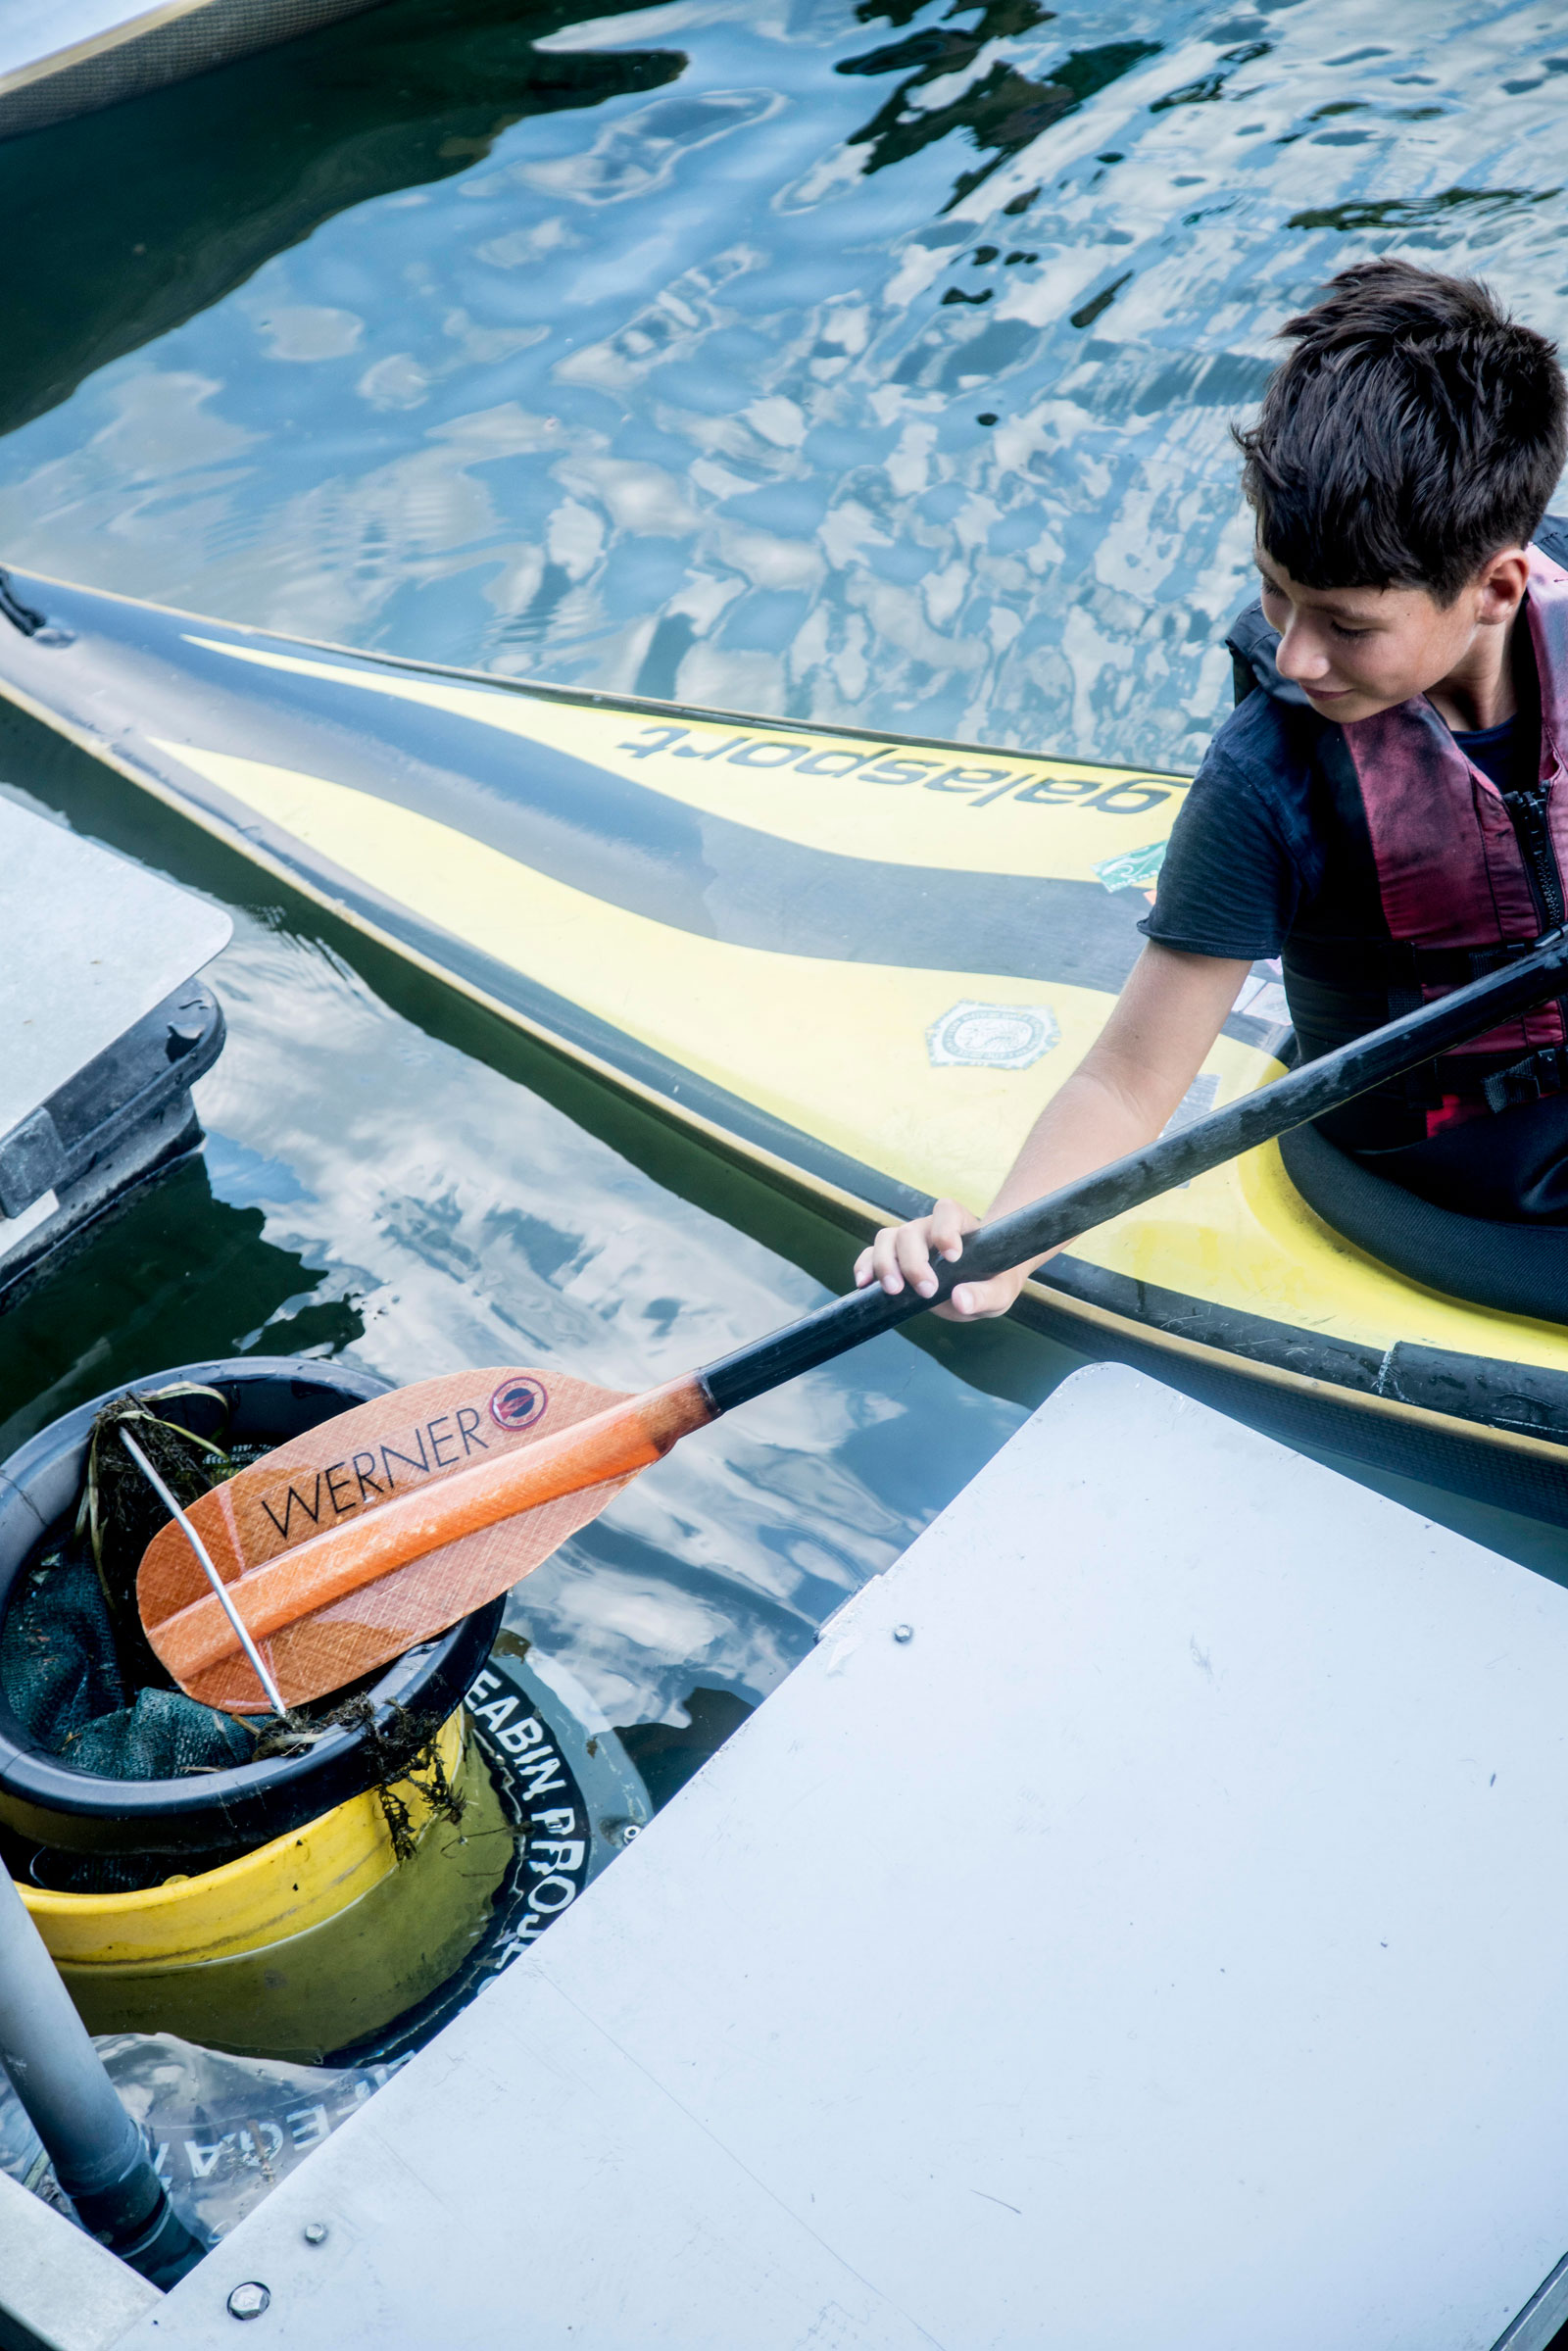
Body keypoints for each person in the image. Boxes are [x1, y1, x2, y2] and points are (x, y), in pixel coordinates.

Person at [856, 258, 1568, 1319]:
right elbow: (1129, 1078)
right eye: (1274, 595)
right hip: (1476, 1164)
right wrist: (999, 1248)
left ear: (1498, 587)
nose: (1295, 659)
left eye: (1345, 624)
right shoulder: (1266, 777)